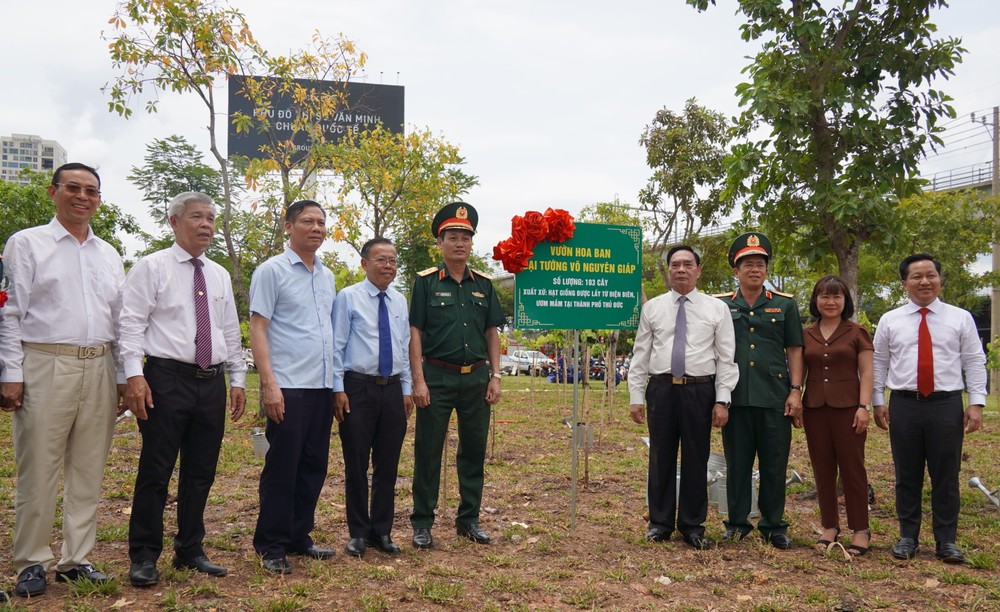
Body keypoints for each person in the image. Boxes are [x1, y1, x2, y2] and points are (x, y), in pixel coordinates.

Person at [0, 163, 125, 597]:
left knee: (89, 468)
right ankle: (32, 561)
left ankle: (77, 558)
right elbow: (10, 313)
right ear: (53, 192)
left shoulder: (108, 254)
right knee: (39, 467)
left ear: (99, 199)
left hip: (101, 365)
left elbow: (121, 319)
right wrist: (11, 373)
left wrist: (126, 374)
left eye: (91, 190)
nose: (82, 197)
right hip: (45, 363)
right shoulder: (27, 244)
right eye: (73, 188)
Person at [120, 192, 247, 587]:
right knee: (156, 469)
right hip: (165, 380)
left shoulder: (219, 273)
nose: (207, 225)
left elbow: (229, 329)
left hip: (210, 382)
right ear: (174, 222)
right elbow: (130, 324)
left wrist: (238, 377)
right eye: (197, 217)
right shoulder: (151, 267)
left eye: (211, 217)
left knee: (201, 471)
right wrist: (133, 376)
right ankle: (144, 554)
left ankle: (190, 547)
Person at [873, 254, 986, 564]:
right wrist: (878, 401)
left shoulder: (960, 317)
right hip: (905, 404)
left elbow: (974, 360)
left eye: (931, 275)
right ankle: (908, 536)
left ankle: (946, 540)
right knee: (906, 473)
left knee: (946, 475)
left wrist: (975, 403)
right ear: (904, 283)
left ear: (940, 279)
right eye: (917, 276)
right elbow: (879, 363)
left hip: (947, 405)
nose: (925, 281)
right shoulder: (890, 320)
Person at [629, 245, 738, 550]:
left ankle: (692, 525)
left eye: (687, 264)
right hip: (661, 388)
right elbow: (641, 354)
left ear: (698, 270)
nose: (680, 269)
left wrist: (722, 399)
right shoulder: (653, 308)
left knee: (696, 455)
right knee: (661, 455)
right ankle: (660, 523)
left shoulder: (717, 309)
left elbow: (726, 358)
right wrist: (636, 396)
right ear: (668, 271)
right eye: (674, 264)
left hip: (699, 390)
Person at [409, 202, 504, 548]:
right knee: (428, 451)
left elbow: (492, 332)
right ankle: (422, 522)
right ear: (440, 242)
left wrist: (496, 376)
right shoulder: (426, 284)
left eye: (465, 237)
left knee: (473, 451)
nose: (459, 243)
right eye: (452, 237)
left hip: (476, 379)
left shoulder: (485, 285)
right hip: (436, 377)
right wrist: (418, 380)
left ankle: (469, 520)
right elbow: (415, 333)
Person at [250, 200, 337, 574]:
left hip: (321, 385)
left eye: (320, 222)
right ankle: (271, 544)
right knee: (282, 466)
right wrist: (269, 385)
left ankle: (299, 535)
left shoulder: (327, 275)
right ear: (288, 226)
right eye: (307, 221)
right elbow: (258, 328)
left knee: (313, 464)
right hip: (288, 386)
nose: (315, 228)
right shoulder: (272, 271)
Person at [715, 232, 804, 549]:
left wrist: (795, 391)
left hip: (774, 396)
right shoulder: (720, 305)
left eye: (760, 263)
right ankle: (737, 523)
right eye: (747, 264)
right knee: (737, 463)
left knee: (774, 463)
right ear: (736, 271)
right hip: (735, 397)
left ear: (766, 269)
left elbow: (794, 349)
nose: (755, 269)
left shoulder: (784, 305)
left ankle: (773, 525)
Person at [332, 237, 413, 557]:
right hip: (357, 388)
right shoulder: (348, 297)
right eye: (381, 259)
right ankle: (358, 533)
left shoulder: (399, 301)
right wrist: (337, 388)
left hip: (392, 389)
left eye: (393, 260)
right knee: (355, 462)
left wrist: (406, 389)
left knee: (387, 465)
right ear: (364, 264)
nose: (388, 266)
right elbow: (337, 345)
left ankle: (382, 531)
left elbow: (404, 348)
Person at [801, 275, 873, 556]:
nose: (830, 302)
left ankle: (860, 529)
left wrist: (863, 406)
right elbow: (801, 370)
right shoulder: (806, 333)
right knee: (822, 469)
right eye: (824, 296)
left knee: (853, 468)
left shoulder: (857, 332)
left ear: (846, 301)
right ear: (815, 300)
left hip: (849, 409)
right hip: (815, 408)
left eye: (836, 297)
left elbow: (866, 372)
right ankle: (829, 525)